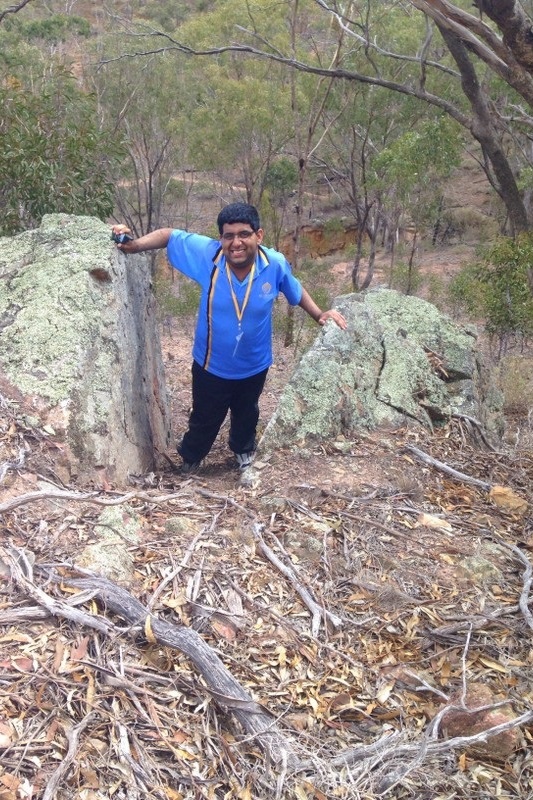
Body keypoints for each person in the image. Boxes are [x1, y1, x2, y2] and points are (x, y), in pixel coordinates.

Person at [112, 202, 347, 475]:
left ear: (258, 236)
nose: (236, 242)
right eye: (228, 235)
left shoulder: (275, 265)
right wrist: (134, 245)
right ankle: (191, 459)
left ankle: (243, 451)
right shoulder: (208, 256)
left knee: (247, 413)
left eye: (244, 234)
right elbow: (168, 235)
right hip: (211, 364)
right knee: (204, 418)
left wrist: (319, 313)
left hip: (255, 364)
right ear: (220, 238)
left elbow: (295, 290)